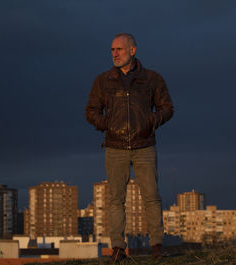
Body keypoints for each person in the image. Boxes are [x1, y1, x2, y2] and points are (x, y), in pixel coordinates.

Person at [85, 33, 174, 262]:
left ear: (133, 50)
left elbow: (167, 108)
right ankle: (118, 249)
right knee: (116, 199)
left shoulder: (152, 79)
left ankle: (157, 247)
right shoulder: (103, 80)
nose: (115, 53)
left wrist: (151, 121)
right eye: (112, 50)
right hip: (115, 147)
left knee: (151, 196)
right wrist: (107, 124)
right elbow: (91, 111)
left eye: (120, 49)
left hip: (144, 146)